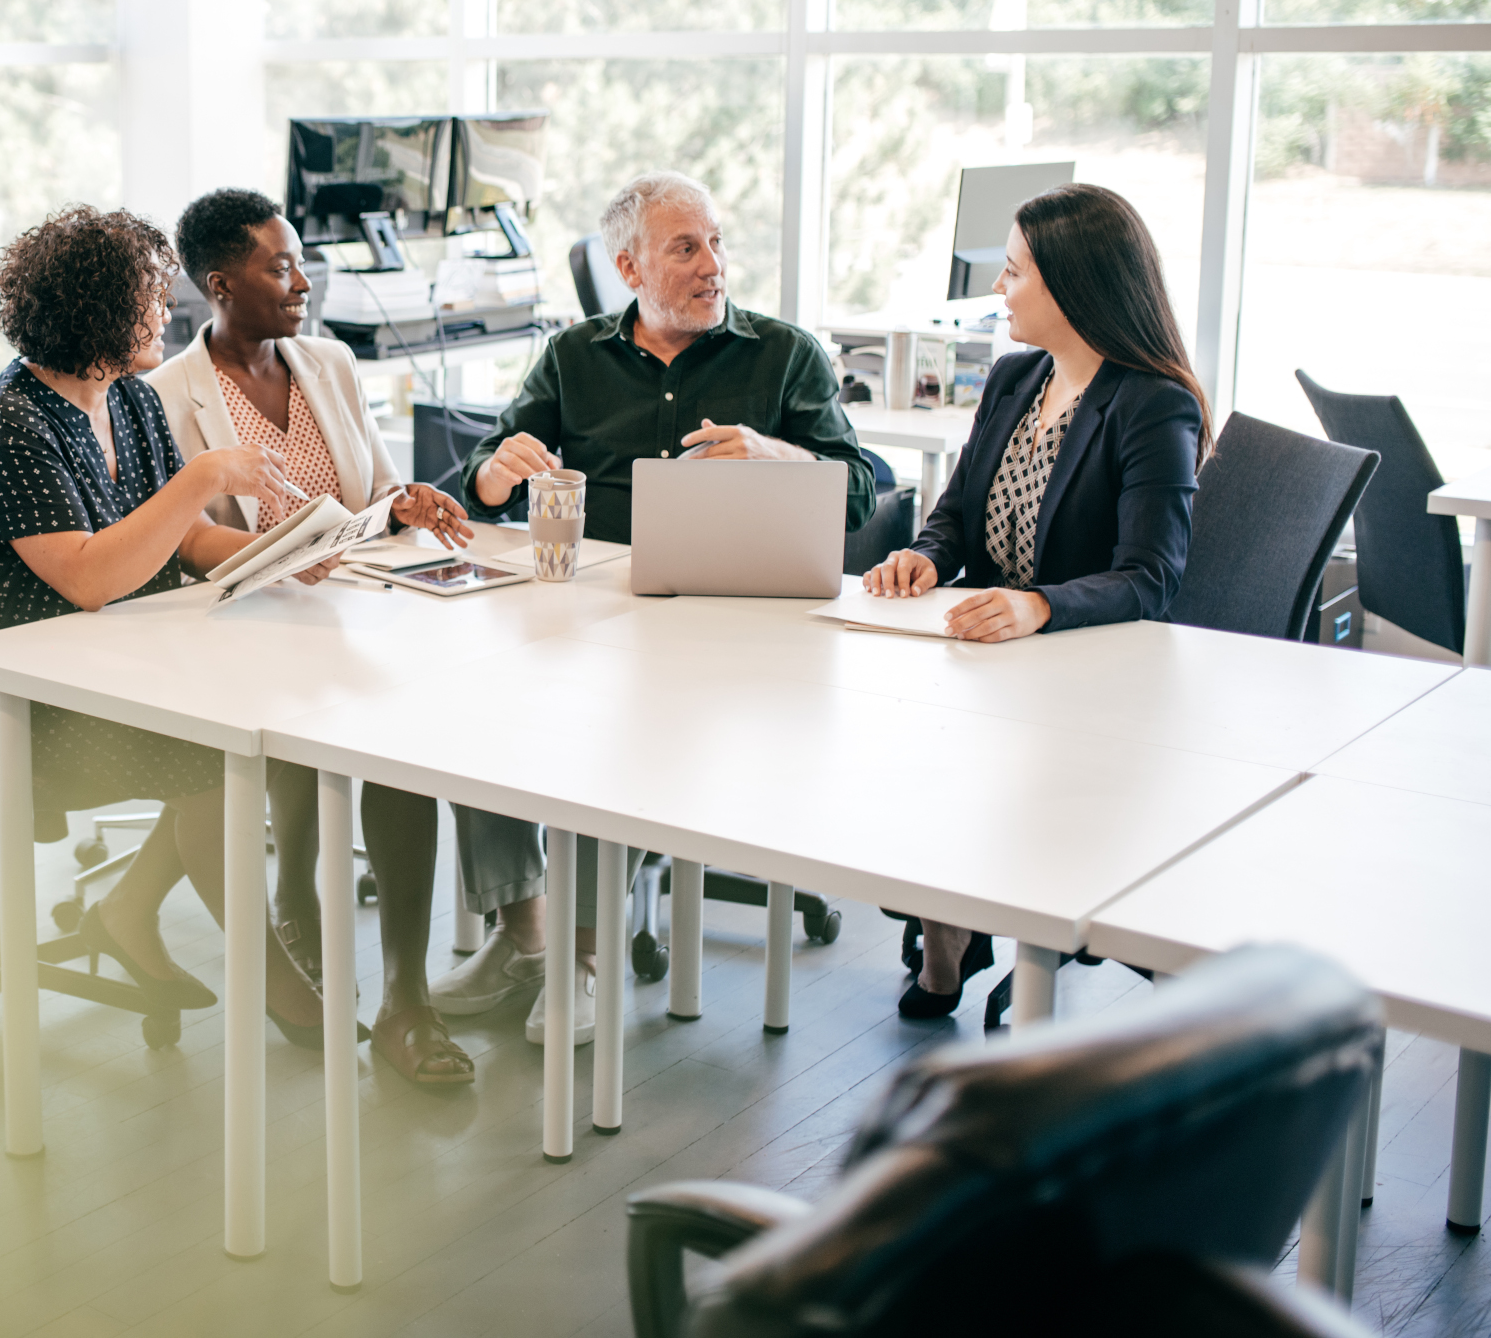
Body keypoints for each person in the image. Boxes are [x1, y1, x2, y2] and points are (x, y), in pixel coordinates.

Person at [433, 170, 876, 1046]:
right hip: (593, 612)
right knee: (469, 705)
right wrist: (493, 474)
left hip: (731, 625)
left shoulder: (785, 355)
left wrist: (773, 453)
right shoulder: (573, 356)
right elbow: (483, 482)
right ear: (631, 266)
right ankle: (526, 938)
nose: (713, 264)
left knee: (623, 724)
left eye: (716, 241)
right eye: (687, 247)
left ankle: (586, 957)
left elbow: (861, 493)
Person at [0, 203, 346, 1046]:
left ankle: (127, 908)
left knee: (241, 724)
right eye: (149, 299)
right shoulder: (8, 427)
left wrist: (276, 554)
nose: (166, 313)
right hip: (7, 696)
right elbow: (87, 578)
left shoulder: (128, 402)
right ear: (96, 313)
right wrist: (203, 478)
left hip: (107, 661)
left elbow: (181, 540)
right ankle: (271, 977)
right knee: (209, 751)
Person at [149, 187, 479, 1086]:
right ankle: (294, 917)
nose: (303, 280)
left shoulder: (328, 362)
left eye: (300, 262)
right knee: (325, 730)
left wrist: (404, 501)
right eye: (278, 265)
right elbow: (176, 545)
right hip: (240, 632)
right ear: (220, 284)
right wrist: (275, 557)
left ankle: (404, 998)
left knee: (403, 746)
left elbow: (368, 492)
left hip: (351, 615)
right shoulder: (168, 396)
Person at [864, 180, 1205, 1019]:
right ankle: (950, 934)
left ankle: (988, 931)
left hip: (1093, 680)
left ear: (1071, 284)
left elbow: (1150, 575)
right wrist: (925, 559)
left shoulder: (1151, 405)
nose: (998, 288)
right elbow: (957, 517)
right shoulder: (1015, 379)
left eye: (1013, 273)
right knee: (888, 742)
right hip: (992, 660)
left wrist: (1038, 606)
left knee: (948, 760)